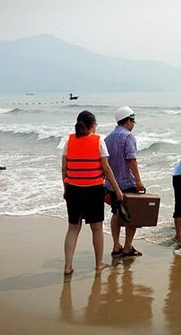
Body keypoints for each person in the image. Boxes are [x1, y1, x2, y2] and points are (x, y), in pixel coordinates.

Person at [62, 110, 123, 274]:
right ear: (91, 125)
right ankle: (98, 264)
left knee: (73, 228)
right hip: (93, 190)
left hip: (73, 189)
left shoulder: (69, 141)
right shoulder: (98, 141)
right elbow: (106, 168)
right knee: (96, 228)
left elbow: (64, 168)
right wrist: (117, 189)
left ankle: (68, 266)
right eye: (95, 124)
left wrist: (65, 188)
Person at [105, 106, 145, 258]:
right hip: (127, 183)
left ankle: (116, 245)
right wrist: (139, 181)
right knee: (131, 216)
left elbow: (105, 163)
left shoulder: (108, 138)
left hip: (112, 184)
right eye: (133, 121)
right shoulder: (128, 137)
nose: (133, 125)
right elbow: (131, 160)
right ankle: (127, 247)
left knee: (116, 213)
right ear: (128, 121)